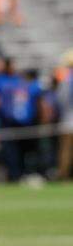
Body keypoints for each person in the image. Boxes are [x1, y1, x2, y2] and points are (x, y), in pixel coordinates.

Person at [56, 51, 73, 180]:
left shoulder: (67, 79)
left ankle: (63, 175)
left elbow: (61, 100)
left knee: (66, 151)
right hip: (68, 119)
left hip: (68, 120)